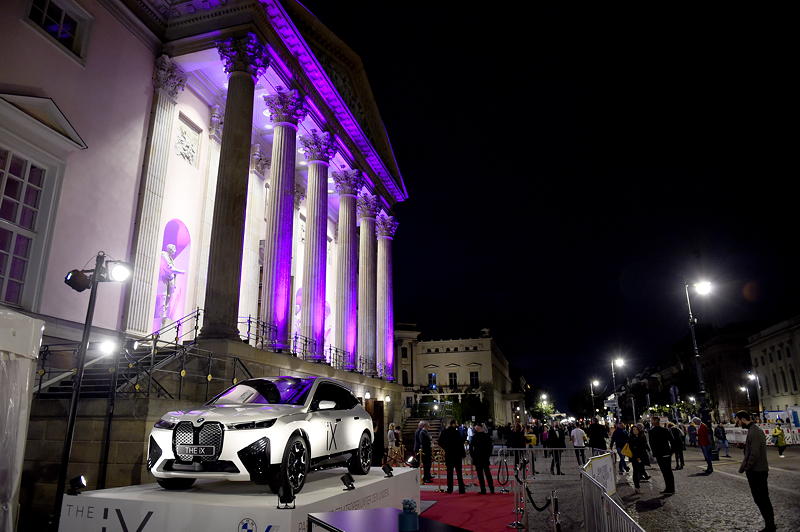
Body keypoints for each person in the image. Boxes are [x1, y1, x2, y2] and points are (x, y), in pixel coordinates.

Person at [737, 410, 776, 532]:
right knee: (760, 499)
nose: (737, 423)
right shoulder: (753, 430)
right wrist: (744, 447)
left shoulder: (754, 431)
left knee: (762, 499)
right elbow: (753, 448)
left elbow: (755, 453)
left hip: (757, 471)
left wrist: (748, 467)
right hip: (756, 470)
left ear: (743, 419)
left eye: (738, 420)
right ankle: (770, 525)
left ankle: (770, 526)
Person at [648, 416, 675, 494]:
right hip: (666, 453)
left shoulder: (652, 431)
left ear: (655, 421)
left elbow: (652, 444)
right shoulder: (665, 430)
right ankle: (670, 488)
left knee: (665, 472)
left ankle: (669, 489)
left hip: (659, 454)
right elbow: (672, 440)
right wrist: (671, 451)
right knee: (668, 472)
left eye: (652, 420)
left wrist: (654, 454)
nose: (651, 421)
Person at [439, 419, 466, 493]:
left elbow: (440, 442)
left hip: (449, 455)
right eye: (456, 423)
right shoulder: (457, 432)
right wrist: (463, 454)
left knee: (449, 473)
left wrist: (446, 448)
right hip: (457, 455)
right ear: (453, 424)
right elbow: (461, 444)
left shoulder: (444, 432)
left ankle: (450, 489)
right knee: (459, 473)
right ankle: (461, 489)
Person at [469, 423, 494, 494]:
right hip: (485, 457)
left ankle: (483, 489)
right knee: (488, 474)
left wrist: (473, 456)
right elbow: (490, 447)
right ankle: (491, 488)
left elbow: (471, 448)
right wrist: (488, 455)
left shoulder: (474, 437)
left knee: (480, 475)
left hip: (477, 458)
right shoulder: (486, 436)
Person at [629, 425, 650, 494]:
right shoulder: (631, 438)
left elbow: (645, 445)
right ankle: (637, 487)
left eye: (636, 429)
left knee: (640, 470)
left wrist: (649, 451)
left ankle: (640, 482)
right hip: (635, 457)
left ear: (638, 430)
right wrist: (637, 457)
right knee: (635, 471)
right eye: (633, 429)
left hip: (642, 457)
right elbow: (632, 449)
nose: (635, 431)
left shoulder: (642, 436)